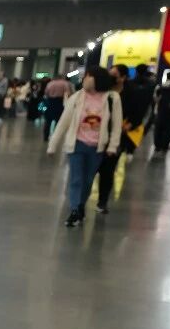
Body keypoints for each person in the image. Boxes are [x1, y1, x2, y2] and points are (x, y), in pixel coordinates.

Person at [48, 66, 122, 227]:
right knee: (76, 179)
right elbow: (63, 122)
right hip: (76, 145)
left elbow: (117, 124)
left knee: (88, 180)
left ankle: (81, 205)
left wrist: (113, 146)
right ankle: (74, 210)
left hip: (97, 147)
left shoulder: (112, 98)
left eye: (88, 76)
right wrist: (52, 145)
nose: (85, 79)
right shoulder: (77, 97)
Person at [92, 64, 137, 215]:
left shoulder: (130, 93)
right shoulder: (102, 90)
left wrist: (129, 125)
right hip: (96, 136)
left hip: (117, 137)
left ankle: (102, 201)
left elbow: (137, 112)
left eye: (114, 75)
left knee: (108, 170)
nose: (110, 77)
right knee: (91, 169)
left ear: (123, 77)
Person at [41, 73, 71, 143]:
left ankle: (45, 136)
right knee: (58, 121)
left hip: (50, 102)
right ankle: (55, 136)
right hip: (59, 103)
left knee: (48, 121)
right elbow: (68, 93)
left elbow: (46, 93)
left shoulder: (50, 84)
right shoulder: (64, 83)